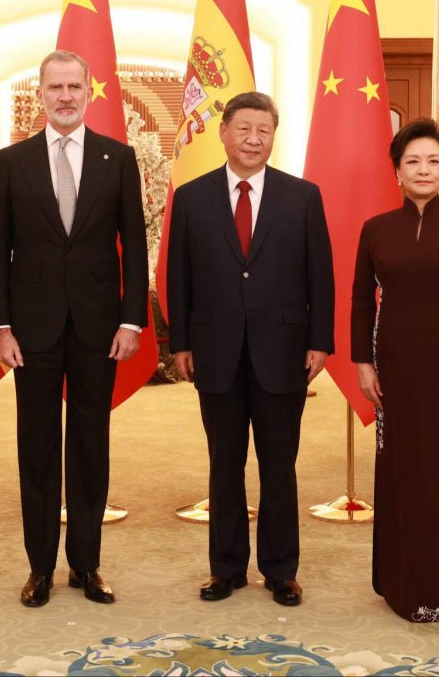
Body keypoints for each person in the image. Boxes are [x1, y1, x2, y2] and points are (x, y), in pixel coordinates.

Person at [0, 50, 148, 608]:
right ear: (40, 93)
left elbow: (135, 247)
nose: (65, 96)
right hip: (29, 331)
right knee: (36, 447)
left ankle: (87, 565)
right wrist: (1, 327)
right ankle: (39, 569)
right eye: (55, 87)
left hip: (100, 328)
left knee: (89, 446)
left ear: (89, 91)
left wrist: (131, 319)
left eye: (74, 86)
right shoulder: (11, 161)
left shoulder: (118, 158)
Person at [166, 91, 334, 607]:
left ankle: (281, 570)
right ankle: (226, 568)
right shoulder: (192, 197)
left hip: (283, 351)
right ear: (224, 131)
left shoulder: (302, 196)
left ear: (272, 136)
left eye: (264, 130)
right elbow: (179, 277)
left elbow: (320, 278)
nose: (254, 139)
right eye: (244, 128)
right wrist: (181, 344)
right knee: (225, 463)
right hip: (214, 351)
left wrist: (320, 343)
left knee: (279, 464)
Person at [351, 117, 439, 623]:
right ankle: (395, 580)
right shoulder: (375, 230)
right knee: (396, 468)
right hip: (388, 365)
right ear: (397, 170)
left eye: (433, 160)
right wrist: (362, 363)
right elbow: (360, 302)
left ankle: (436, 588)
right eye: (412, 160)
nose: (423, 169)